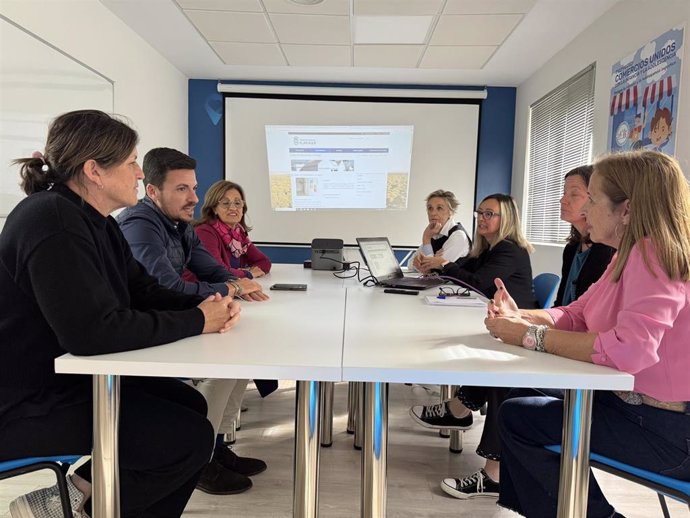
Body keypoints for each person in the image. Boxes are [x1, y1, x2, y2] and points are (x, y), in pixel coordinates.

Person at [0, 110, 240, 518]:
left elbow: (141, 290)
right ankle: (78, 509)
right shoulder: (52, 221)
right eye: (131, 162)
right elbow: (91, 334)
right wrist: (199, 320)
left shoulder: (95, 220)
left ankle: (73, 495)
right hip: (24, 402)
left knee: (189, 406)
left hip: (64, 379)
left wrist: (205, 308)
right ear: (94, 170)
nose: (136, 173)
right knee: (188, 439)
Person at [486, 150, 690, 518]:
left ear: (626, 210)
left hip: (670, 431)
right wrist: (521, 316)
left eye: (592, 200)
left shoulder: (653, 253)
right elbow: (578, 313)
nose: (583, 211)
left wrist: (529, 337)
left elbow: (630, 350)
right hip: (640, 408)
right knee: (521, 397)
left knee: (520, 418)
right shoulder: (629, 251)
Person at [117, 148, 268, 496]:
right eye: (182, 189)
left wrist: (235, 284)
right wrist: (232, 287)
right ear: (153, 191)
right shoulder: (140, 225)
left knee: (241, 355)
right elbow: (164, 287)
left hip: (175, 318)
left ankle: (214, 445)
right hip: (149, 332)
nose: (194, 198)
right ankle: (200, 461)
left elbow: (210, 268)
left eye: (194, 188)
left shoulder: (179, 223)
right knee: (224, 364)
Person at [409, 193, 537, 499]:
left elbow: (478, 282)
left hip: (521, 334)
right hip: (505, 328)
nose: (482, 218)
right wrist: (443, 263)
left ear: (507, 219)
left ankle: (493, 475)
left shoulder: (509, 250)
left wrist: (446, 263)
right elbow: (467, 268)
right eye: (480, 213)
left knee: (495, 372)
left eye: (490, 214)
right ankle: (457, 410)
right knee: (485, 360)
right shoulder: (490, 249)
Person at [554, 165, 615, 306]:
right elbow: (560, 304)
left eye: (574, 194)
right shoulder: (571, 249)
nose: (562, 200)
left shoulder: (608, 250)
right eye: (564, 193)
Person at [193, 180, 271, 279]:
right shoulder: (204, 232)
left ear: (243, 208)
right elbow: (218, 271)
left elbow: (264, 262)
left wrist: (241, 273)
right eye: (225, 203)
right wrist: (248, 274)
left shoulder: (239, 234)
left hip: (230, 287)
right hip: (204, 291)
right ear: (214, 208)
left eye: (237, 203)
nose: (233, 208)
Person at [410, 189, 471, 274]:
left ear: (451, 212)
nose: (433, 213)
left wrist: (426, 239)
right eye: (430, 208)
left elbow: (433, 271)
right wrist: (432, 259)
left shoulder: (458, 236)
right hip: (437, 285)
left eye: (439, 208)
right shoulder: (435, 233)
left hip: (453, 287)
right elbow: (411, 265)